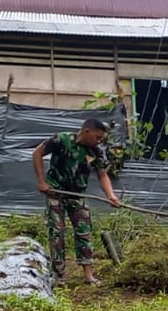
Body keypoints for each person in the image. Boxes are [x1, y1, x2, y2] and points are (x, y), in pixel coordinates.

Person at [32, 117, 123, 284]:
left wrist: (111, 195)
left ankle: (88, 275)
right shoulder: (61, 139)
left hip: (77, 194)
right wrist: (41, 181)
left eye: (101, 139)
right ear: (86, 131)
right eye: (97, 137)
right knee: (57, 231)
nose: (99, 141)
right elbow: (37, 153)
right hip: (55, 191)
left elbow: (103, 174)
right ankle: (59, 275)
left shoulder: (96, 151)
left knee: (84, 231)